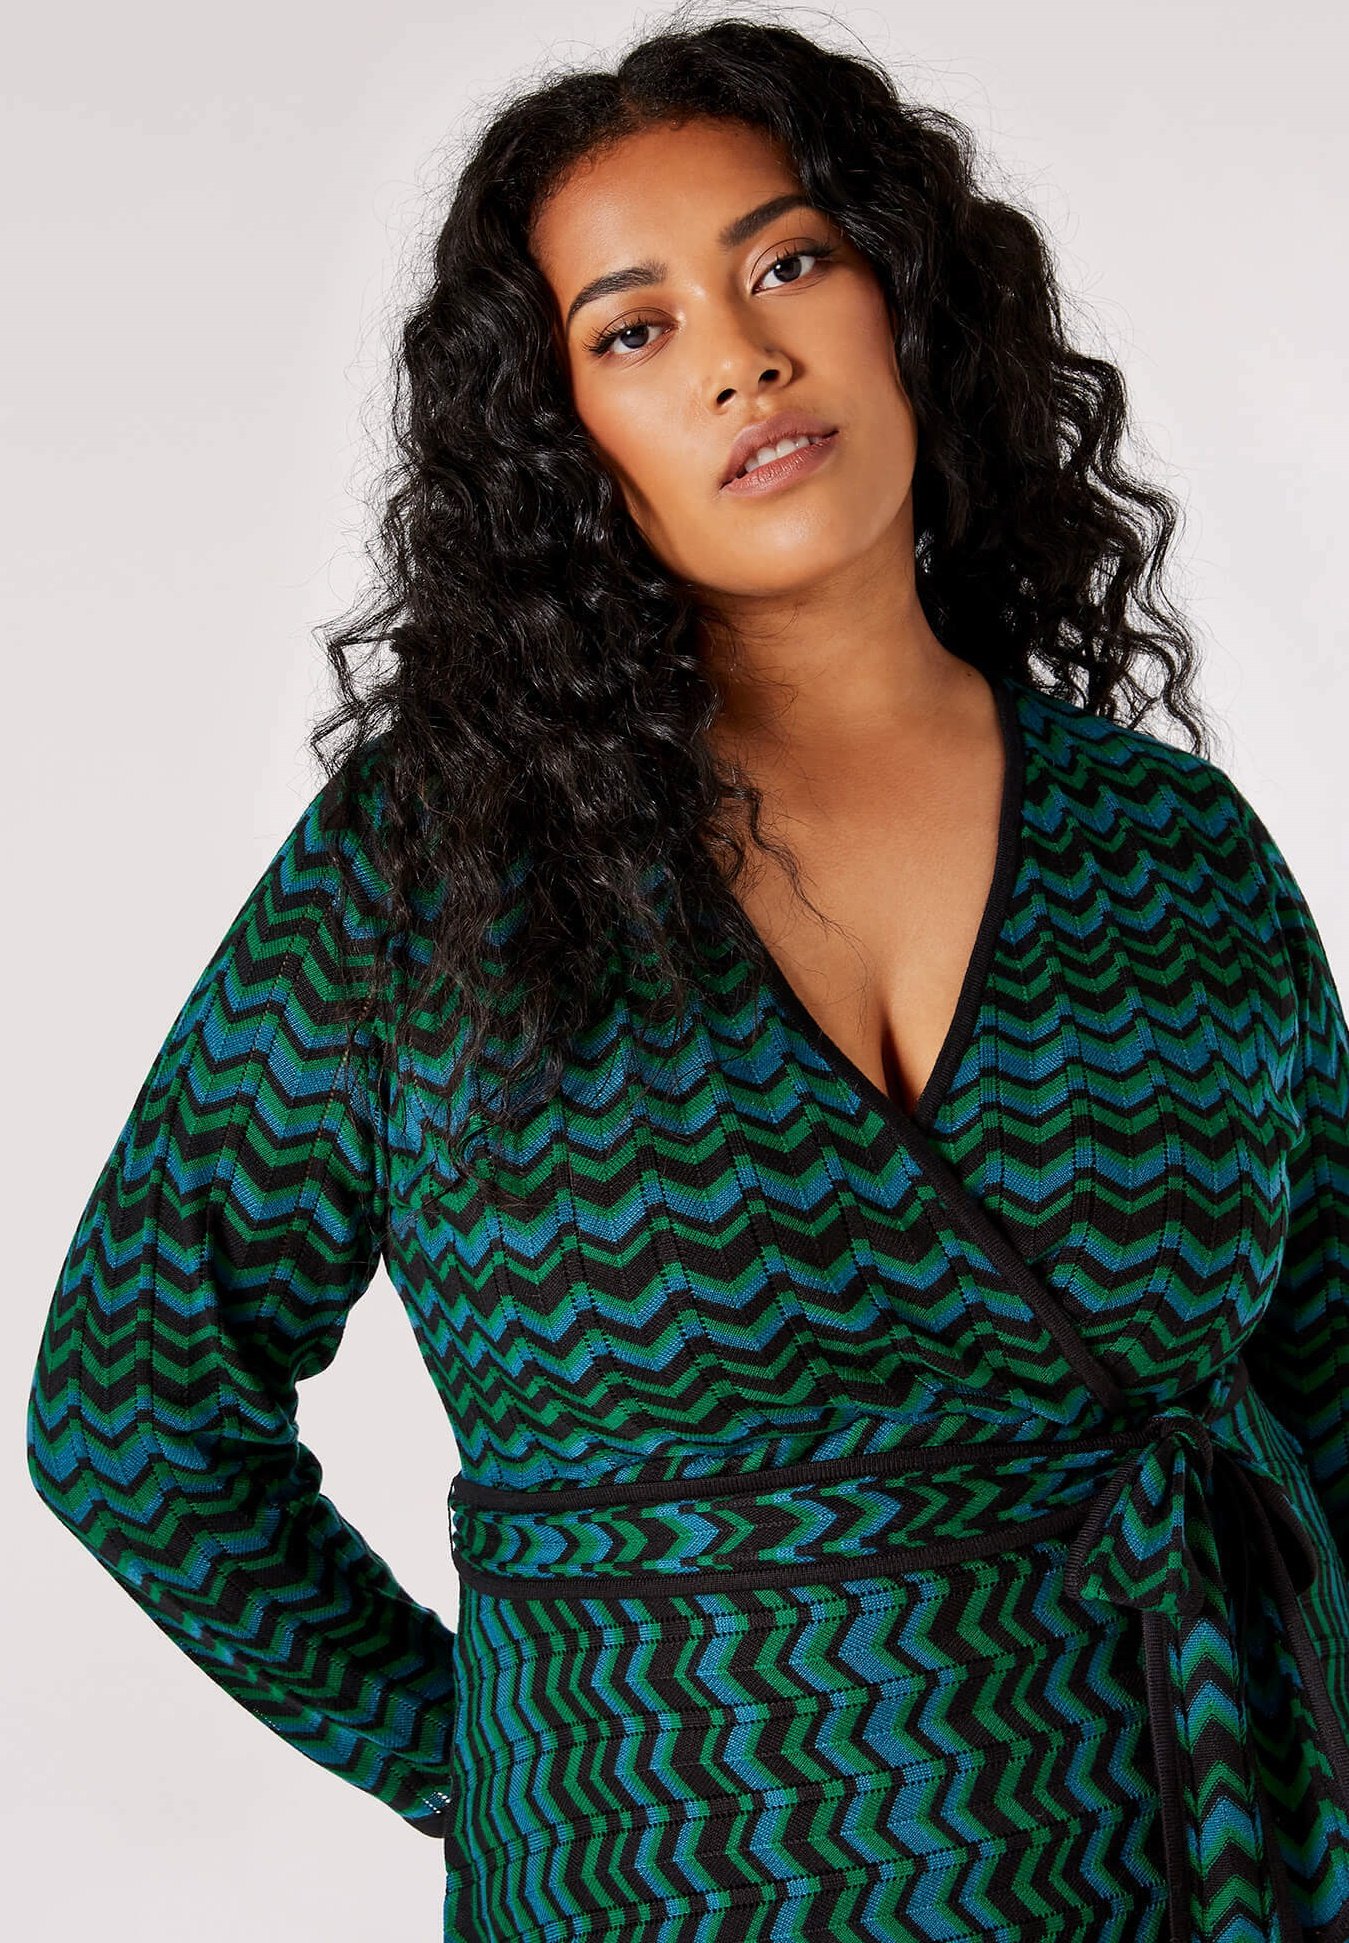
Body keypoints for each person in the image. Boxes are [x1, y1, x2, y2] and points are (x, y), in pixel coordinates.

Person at [26, 11, 1349, 1943]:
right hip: (652, 1883)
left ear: (912, 304)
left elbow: (1328, 1392)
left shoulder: (1175, 852)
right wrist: (481, 1762)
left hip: (1187, 1860)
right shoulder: (431, 870)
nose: (740, 357)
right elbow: (131, 1416)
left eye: (789, 263)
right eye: (633, 330)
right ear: (558, 433)